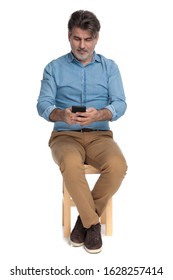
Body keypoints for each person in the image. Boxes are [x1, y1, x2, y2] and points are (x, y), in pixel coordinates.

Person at [37, 10, 127, 254]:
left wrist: (100, 114)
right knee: (70, 162)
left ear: (96, 38)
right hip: (65, 135)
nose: (82, 45)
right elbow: (43, 105)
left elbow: (120, 103)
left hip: (100, 135)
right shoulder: (54, 68)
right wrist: (61, 115)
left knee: (118, 165)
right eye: (77, 39)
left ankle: (83, 222)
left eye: (88, 39)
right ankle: (93, 223)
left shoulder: (109, 67)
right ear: (69, 37)